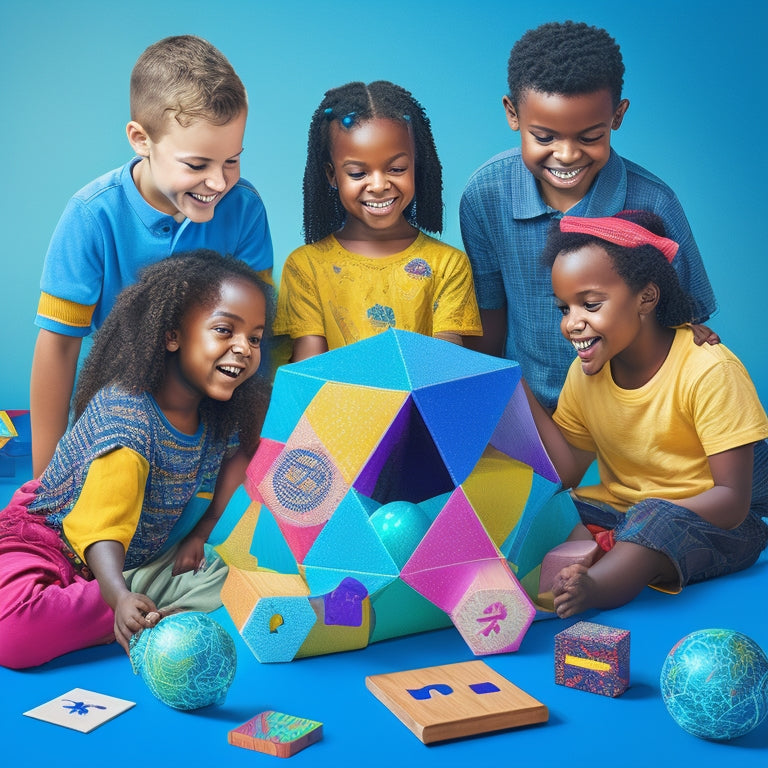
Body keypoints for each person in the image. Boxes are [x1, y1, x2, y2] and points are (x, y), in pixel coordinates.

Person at [0, 251, 274, 669]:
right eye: (224, 330)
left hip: (127, 557)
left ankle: (138, 589)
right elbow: (102, 527)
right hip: (50, 542)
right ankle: (142, 593)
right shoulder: (126, 423)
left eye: (254, 338)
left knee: (235, 575)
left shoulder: (218, 415)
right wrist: (120, 596)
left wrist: (202, 531)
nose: (243, 349)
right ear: (172, 336)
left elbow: (239, 456)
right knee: (13, 633)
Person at [30, 34, 273, 476]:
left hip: (214, 424)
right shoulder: (91, 216)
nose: (218, 183)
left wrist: (253, 451)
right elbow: (59, 346)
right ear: (141, 139)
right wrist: (41, 482)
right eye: (197, 165)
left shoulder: (246, 210)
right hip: (122, 417)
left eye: (232, 162)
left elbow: (258, 333)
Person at [460, 20, 717, 411]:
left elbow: (686, 322)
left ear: (617, 115)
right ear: (512, 113)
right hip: (531, 405)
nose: (566, 154)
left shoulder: (656, 203)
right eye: (544, 137)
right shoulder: (485, 195)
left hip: (632, 412)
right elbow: (489, 316)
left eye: (589, 137)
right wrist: (488, 408)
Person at [523, 211, 768, 619]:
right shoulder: (584, 375)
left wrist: (640, 518)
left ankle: (596, 586)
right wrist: (520, 391)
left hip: (716, 525)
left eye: (590, 304)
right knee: (551, 507)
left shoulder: (708, 370)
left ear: (646, 298)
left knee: (653, 518)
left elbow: (733, 502)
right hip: (619, 512)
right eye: (563, 309)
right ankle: (593, 556)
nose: (572, 324)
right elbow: (564, 475)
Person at [273, 80, 481, 362]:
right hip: (334, 406)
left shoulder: (447, 266)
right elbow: (310, 372)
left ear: (416, 167)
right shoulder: (306, 267)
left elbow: (444, 370)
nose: (379, 185)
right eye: (358, 173)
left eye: (396, 169)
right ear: (332, 175)